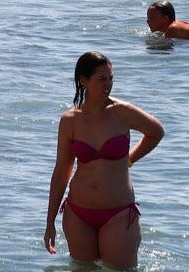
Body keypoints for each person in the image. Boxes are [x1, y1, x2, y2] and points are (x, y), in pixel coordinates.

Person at [43, 51, 165, 268]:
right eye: (101, 79)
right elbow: (62, 171)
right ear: (84, 80)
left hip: (118, 214)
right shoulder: (70, 121)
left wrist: (130, 159)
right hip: (78, 213)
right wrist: (50, 221)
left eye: (111, 78)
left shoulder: (122, 112)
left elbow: (156, 132)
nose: (108, 84)